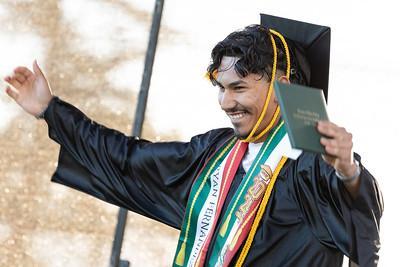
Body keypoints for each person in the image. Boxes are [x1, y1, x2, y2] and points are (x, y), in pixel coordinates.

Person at [3, 14, 382, 267]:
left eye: (238, 88)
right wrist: (50, 109)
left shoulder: (309, 165)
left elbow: (359, 223)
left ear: (281, 86)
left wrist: (348, 173)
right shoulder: (214, 154)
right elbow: (127, 159)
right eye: (220, 88)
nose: (225, 102)